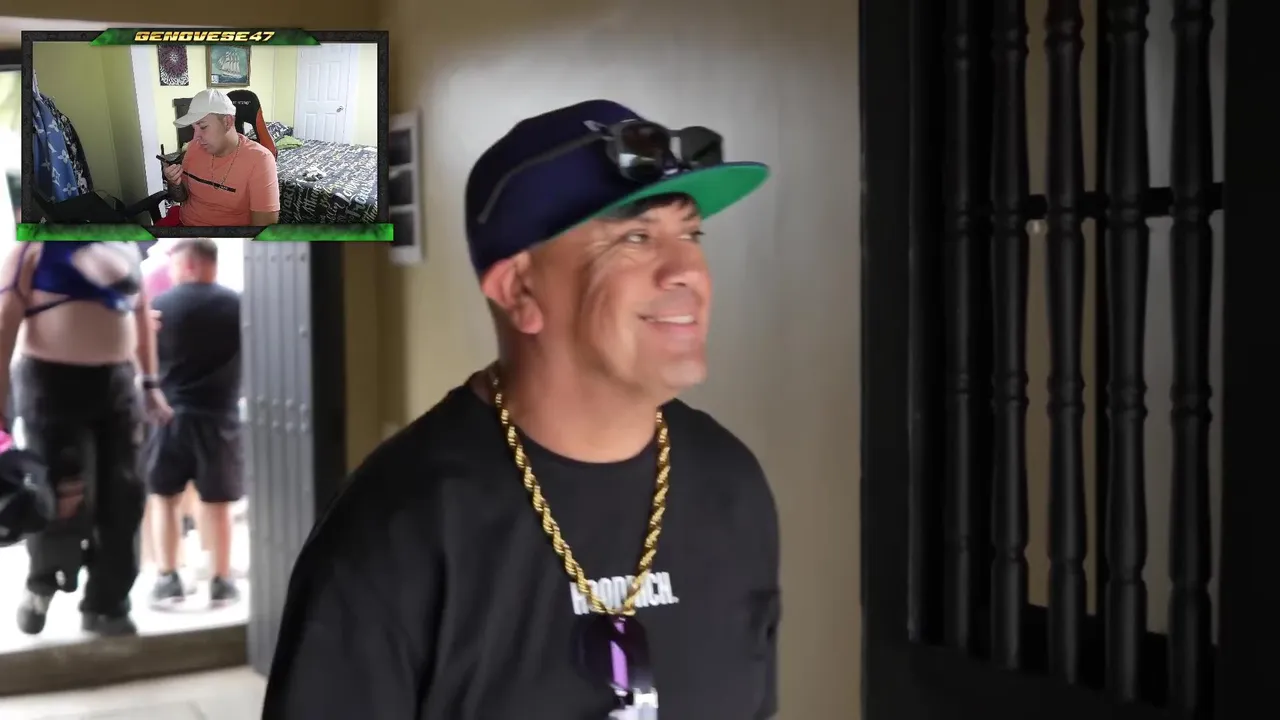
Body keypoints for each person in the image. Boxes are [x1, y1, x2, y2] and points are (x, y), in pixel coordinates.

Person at [262, 100, 781, 719]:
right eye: (636, 238)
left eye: (692, 234)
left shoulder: (731, 484)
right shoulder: (398, 529)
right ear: (520, 290)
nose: (688, 271)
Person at [0, 241, 172, 637]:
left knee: (126, 494)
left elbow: (140, 313)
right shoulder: (32, 248)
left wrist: (150, 384)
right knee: (62, 493)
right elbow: (5, 325)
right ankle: (43, 581)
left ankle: (108, 603)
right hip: (50, 383)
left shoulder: (125, 245)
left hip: (118, 385)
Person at [145, 239, 243, 607]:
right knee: (218, 503)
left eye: (174, 266)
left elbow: (143, 359)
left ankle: (168, 578)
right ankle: (221, 580)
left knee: (165, 499)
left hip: (168, 416)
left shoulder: (159, 307)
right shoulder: (237, 305)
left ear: (189, 265)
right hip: (218, 417)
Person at [161, 88, 280, 227]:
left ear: (227, 122)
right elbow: (181, 197)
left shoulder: (260, 160)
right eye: (194, 128)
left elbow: (262, 229)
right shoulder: (193, 147)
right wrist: (174, 183)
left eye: (203, 127)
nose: (195, 137)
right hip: (183, 226)